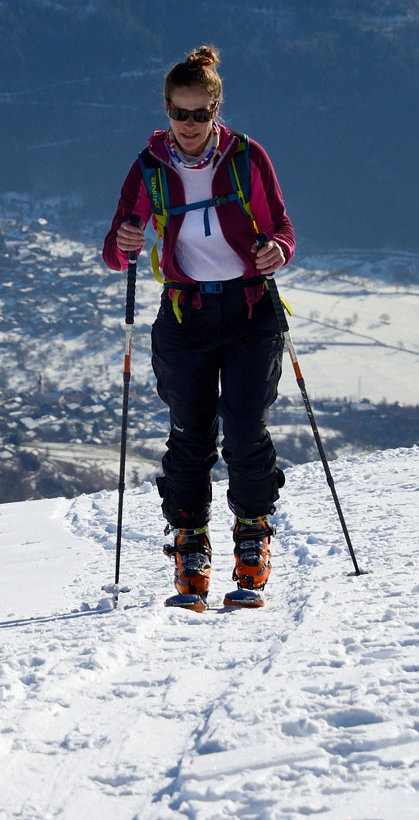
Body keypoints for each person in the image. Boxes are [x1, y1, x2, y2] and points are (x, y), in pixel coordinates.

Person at [100, 45, 296, 611]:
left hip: (251, 310)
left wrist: (275, 252)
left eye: (199, 115)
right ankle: (190, 546)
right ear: (166, 111)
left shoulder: (247, 157)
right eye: (179, 114)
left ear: (216, 111)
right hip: (185, 313)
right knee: (190, 432)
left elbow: (282, 228)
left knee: (243, 426)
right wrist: (126, 244)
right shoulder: (148, 168)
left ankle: (252, 538)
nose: (189, 126)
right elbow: (115, 250)